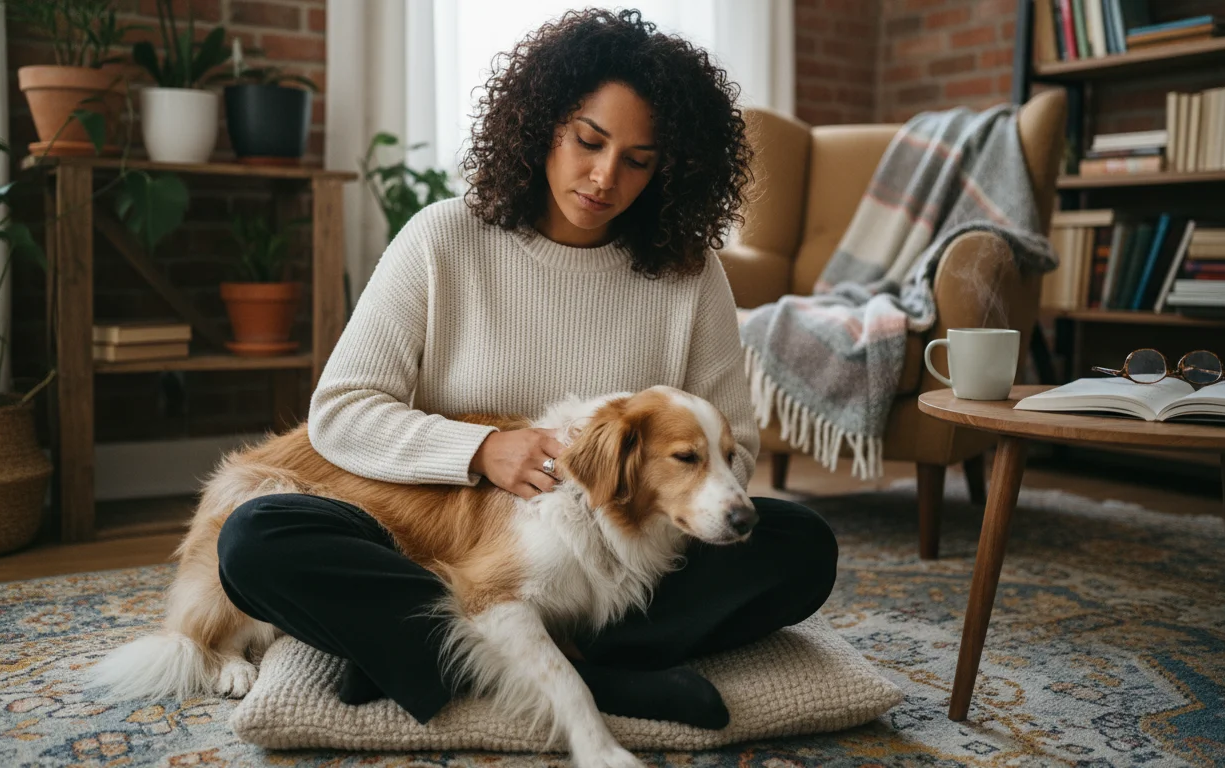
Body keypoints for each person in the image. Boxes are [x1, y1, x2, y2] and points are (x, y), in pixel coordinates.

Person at [215, 8, 838, 730]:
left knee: (800, 549)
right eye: (589, 140)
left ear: (670, 168)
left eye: (639, 159)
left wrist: (630, 528)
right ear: (542, 122)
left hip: (623, 559)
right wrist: (479, 449)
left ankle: (429, 651)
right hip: (449, 546)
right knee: (256, 538)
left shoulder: (689, 276)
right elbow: (341, 410)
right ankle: (593, 675)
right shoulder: (442, 239)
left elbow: (736, 448)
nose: (605, 177)